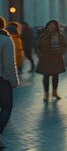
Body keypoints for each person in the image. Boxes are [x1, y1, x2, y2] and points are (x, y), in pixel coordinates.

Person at [36, 20, 67, 102]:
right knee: (46, 76)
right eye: (50, 25)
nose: (51, 27)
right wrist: (40, 55)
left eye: (53, 25)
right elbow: (37, 47)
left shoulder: (60, 36)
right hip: (45, 58)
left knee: (55, 75)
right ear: (47, 26)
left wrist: (59, 52)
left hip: (56, 58)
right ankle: (46, 94)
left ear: (56, 27)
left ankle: (54, 92)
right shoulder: (43, 36)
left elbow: (64, 46)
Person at [0, 17, 19, 148]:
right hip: (2, 80)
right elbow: (9, 64)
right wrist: (14, 81)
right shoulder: (6, 40)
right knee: (6, 108)